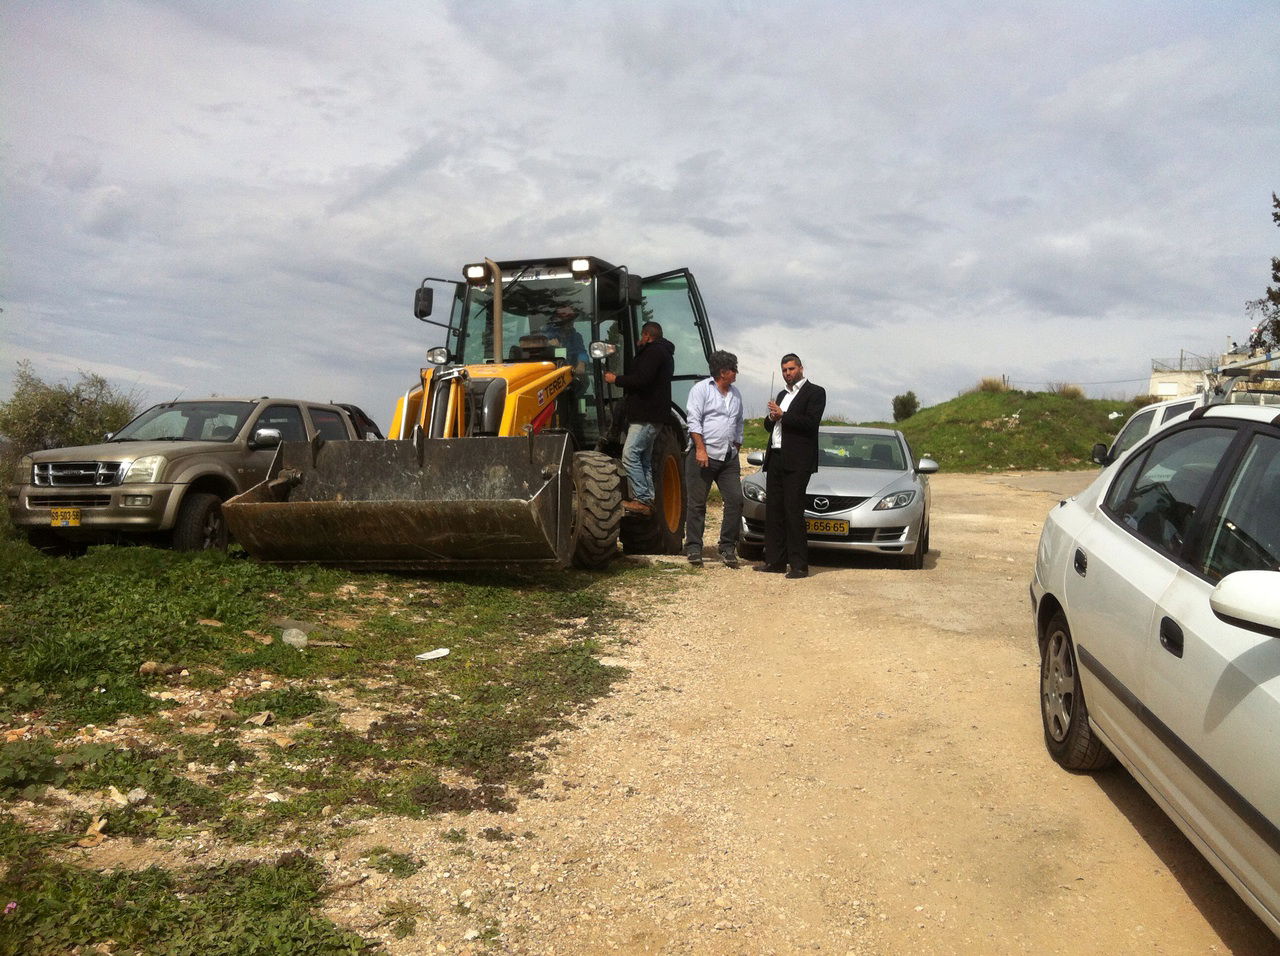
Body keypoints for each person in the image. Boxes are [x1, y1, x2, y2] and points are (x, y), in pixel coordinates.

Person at [757, 353, 826, 578]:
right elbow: (772, 426)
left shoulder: (815, 392)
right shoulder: (781, 394)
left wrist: (783, 415)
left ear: (801, 368)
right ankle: (775, 561)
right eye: (785, 370)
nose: (788, 373)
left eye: (791, 369)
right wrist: (771, 417)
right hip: (776, 457)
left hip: (797, 461)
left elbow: (810, 423)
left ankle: (799, 565)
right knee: (774, 510)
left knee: (793, 511)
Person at [603, 321, 674, 516]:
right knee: (643, 459)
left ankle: (642, 498)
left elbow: (642, 379)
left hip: (646, 416)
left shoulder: (653, 353)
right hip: (654, 415)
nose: (638, 341)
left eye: (641, 337)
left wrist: (615, 379)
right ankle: (648, 499)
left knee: (629, 454)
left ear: (647, 336)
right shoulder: (664, 353)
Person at [684, 350, 745, 568]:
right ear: (723, 372)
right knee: (697, 503)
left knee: (736, 500)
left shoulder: (736, 394)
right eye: (734, 369)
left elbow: (739, 422)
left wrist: (737, 445)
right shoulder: (701, 390)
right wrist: (700, 449)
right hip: (703, 455)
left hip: (728, 458)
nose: (737, 373)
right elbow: (694, 421)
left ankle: (727, 547)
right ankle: (693, 547)